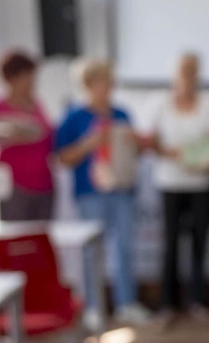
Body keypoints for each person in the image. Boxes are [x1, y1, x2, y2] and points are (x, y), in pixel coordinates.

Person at [55, 59, 150, 326]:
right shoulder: (74, 117)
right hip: (91, 192)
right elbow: (63, 157)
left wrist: (136, 142)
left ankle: (126, 303)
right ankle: (93, 307)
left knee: (125, 248)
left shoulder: (121, 114)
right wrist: (90, 143)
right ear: (88, 84)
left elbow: (139, 152)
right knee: (92, 252)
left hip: (122, 189)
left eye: (110, 81)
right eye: (102, 82)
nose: (108, 87)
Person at [146, 52, 209, 324]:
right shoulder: (160, 105)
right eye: (183, 70)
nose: (187, 76)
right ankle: (168, 304)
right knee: (170, 245)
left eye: (192, 70)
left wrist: (201, 158)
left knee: (200, 244)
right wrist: (176, 154)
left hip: (201, 182)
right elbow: (151, 142)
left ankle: (198, 301)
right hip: (170, 183)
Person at [0, 50, 55, 221]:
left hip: (43, 184)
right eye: (26, 76)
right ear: (11, 78)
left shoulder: (37, 105)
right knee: (17, 239)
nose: (32, 81)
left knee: (40, 240)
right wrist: (2, 133)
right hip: (14, 187)